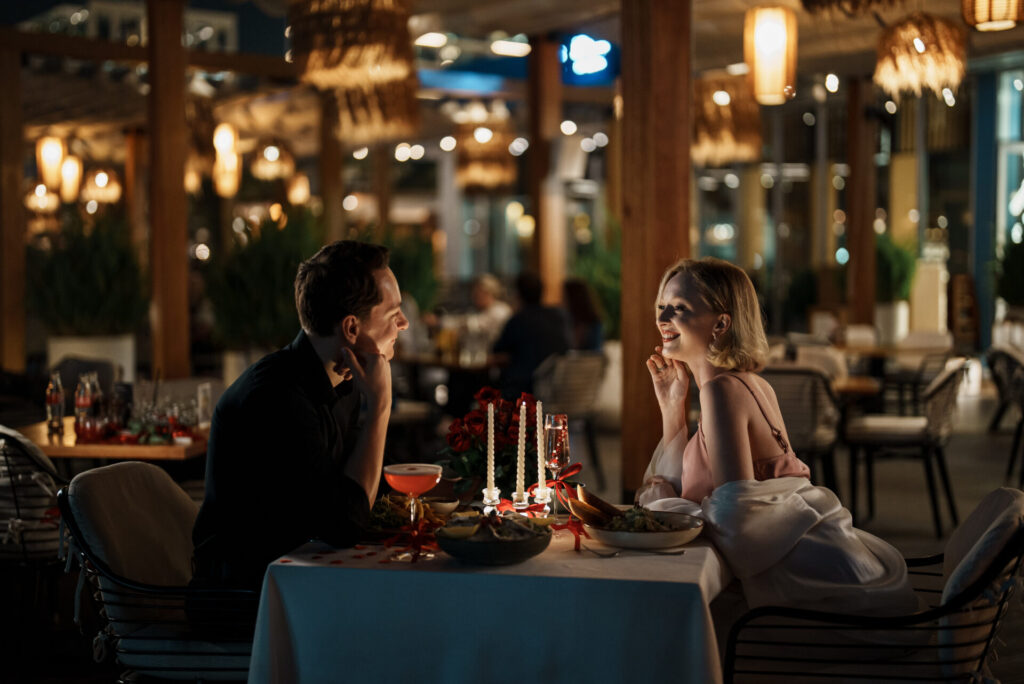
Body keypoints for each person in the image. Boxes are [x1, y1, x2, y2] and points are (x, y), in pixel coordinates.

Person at [637, 257, 917, 617]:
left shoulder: (720, 392)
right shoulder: (753, 385)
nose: (663, 319)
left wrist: (662, 504)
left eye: (680, 308)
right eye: (662, 307)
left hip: (803, 592)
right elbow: (705, 491)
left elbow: (738, 525)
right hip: (822, 562)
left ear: (721, 323)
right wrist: (672, 407)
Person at [191, 241, 408, 590]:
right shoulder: (274, 399)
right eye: (393, 313)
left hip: (306, 573)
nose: (404, 323)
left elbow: (356, 491)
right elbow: (345, 525)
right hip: (248, 599)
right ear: (351, 329)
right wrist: (381, 406)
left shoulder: (344, 381)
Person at [492, 271, 570, 398]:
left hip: (525, 390)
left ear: (518, 294)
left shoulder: (519, 319)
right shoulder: (559, 315)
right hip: (558, 388)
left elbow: (497, 351)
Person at [563, 278, 604, 351]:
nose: (563, 300)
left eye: (564, 297)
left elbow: (595, 351)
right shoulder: (567, 319)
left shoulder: (592, 323)